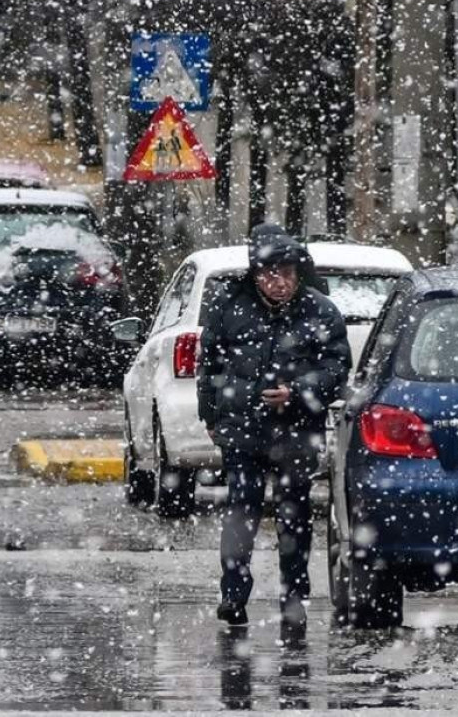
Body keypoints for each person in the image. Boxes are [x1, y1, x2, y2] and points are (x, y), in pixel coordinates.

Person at [196, 223, 351, 629]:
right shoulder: (229, 305)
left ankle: (294, 595)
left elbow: (336, 367)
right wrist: (210, 415)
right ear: (255, 274)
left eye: (285, 273)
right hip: (243, 429)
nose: (277, 282)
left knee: (294, 515)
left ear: (298, 274)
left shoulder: (319, 310)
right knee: (241, 512)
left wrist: (297, 392)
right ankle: (233, 594)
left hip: (296, 431)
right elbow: (208, 363)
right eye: (268, 274)